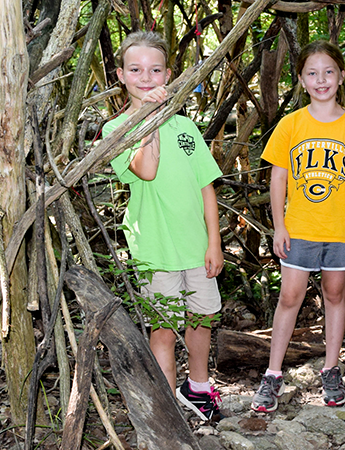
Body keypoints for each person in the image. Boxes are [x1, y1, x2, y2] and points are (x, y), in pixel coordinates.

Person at [105, 31, 224, 421]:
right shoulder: (115, 131)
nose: (146, 77)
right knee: (164, 329)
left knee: (203, 318)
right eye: (136, 69)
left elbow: (207, 187)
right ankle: (167, 403)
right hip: (155, 248)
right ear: (121, 75)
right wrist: (149, 120)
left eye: (155, 70)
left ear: (168, 75)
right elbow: (148, 170)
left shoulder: (186, 128)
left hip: (196, 245)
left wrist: (214, 243)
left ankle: (200, 388)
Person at [252, 40, 345, 412]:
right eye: (312, 73)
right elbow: (277, 179)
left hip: (342, 228)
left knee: (335, 294)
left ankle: (331, 368)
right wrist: (279, 227)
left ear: (340, 76)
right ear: (302, 80)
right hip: (301, 226)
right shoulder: (292, 125)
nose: (321, 80)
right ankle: (272, 374)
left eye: (328, 72)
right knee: (290, 295)